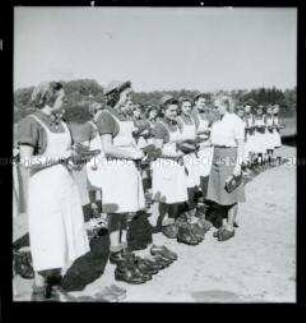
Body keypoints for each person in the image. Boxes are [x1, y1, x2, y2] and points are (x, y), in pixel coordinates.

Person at [18, 81, 90, 301]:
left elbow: (67, 155)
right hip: (44, 190)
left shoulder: (63, 123)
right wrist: (61, 157)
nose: (64, 100)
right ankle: (39, 290)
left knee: (63, 234)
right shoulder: (30, 122)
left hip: (65, 185)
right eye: (61, 97)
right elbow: (26, 162)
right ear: (49, 99)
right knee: (46, 236)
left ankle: (55, 283)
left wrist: (77, 160)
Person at [152, 95, 200, 245]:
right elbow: (157, 150)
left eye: (175, 110)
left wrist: (186, 149)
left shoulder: (175, 124)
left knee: (176, 192)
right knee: (166, 195)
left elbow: (179, 142)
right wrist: (176, 154)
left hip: (178, 162)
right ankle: (165, 222)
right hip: (165, 164)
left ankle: (171, 219)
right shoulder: (159, 126)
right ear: (163, 110)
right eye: (171, 110)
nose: (174, 113)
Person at [206, 95, 246, 241]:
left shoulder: (236, 120)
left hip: (230, 156)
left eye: (217, 107)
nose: (215, 110)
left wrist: (238, 165)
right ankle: (223, 224)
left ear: (225, 105)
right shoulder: (217, 122)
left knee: (230, 191)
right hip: (217, 155)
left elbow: (241, 144)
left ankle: (230, 226)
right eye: (214, 107)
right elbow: (212, 141)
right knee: (219, 193)